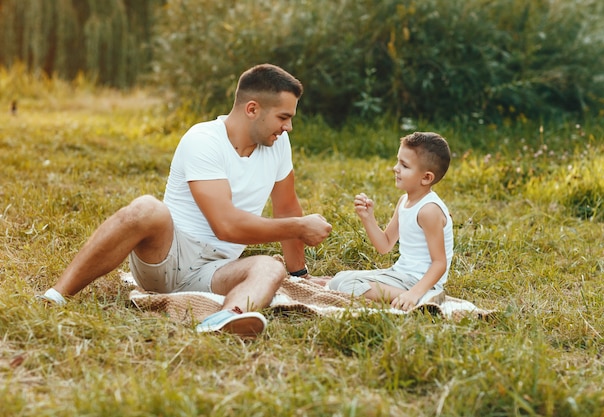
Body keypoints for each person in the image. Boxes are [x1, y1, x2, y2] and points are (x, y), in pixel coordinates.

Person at [39, 64, 332, 338]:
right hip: (166, 257)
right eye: (284, 117)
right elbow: (226, 225)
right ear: (253, 109)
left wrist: (300, 274)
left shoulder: (277, 145)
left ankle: (225, 319)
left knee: (270, 267)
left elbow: (286, 208)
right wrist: (298, 227)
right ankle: (56, 296)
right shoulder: (203, 140)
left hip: (215, 271)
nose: (288, 127)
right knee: (147, 208)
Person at [328, 132, 453, 311]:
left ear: (426, 178)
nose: (396, 168)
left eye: (404, 165)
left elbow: (440, 263)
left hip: (420, 282)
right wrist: (368, 218)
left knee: (348, 285)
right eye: (398, 161)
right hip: (400, 274)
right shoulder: (404, 201)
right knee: (339, 279)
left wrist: (414, 293)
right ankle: (405, 296)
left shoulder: (429, 211)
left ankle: (423, 298)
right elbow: (384, 246)